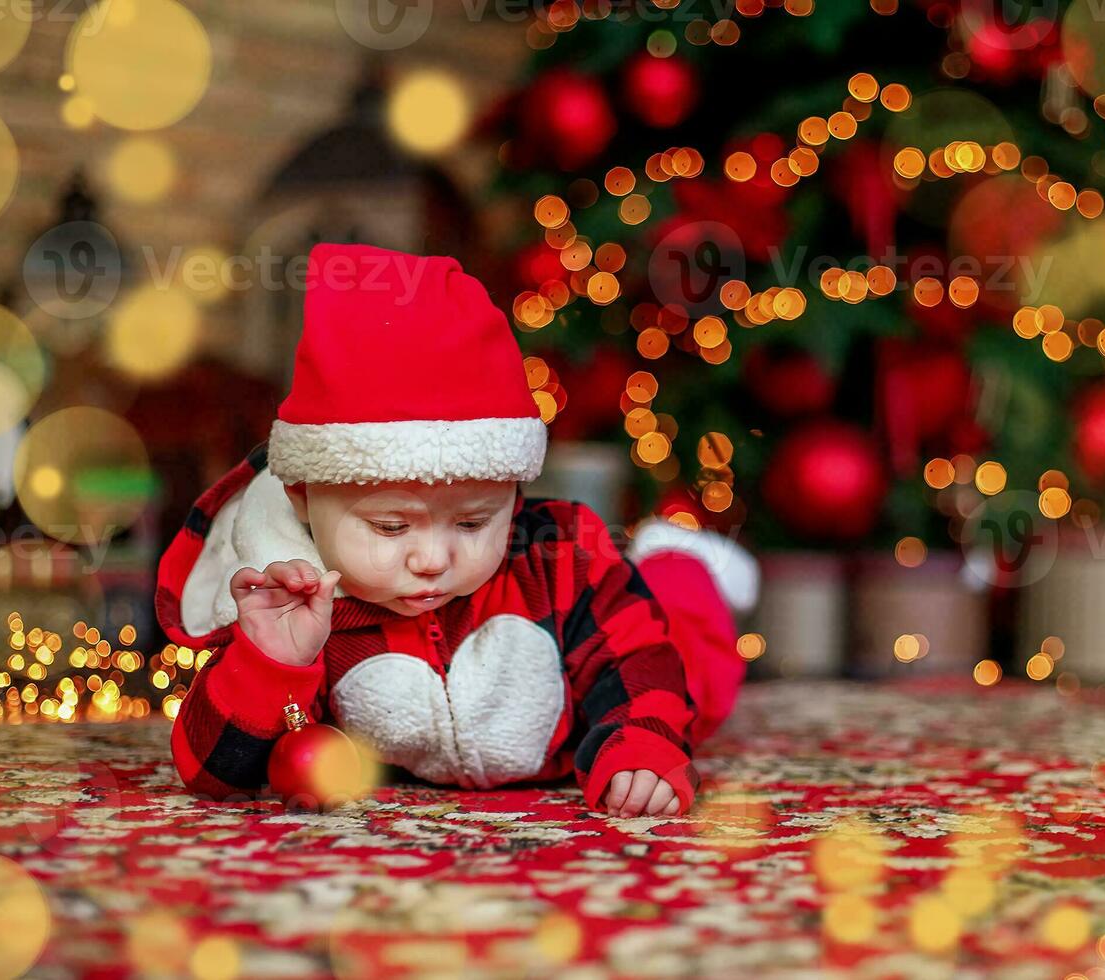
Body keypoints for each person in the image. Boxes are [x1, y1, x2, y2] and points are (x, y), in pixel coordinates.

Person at [155, 243, 759, 818]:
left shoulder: (561, 554)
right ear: (303, 498)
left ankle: (681, 566)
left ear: (513, 492)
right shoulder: (298, 598)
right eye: (391, 527)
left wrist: (642, 746)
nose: (434, 559)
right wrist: (271, 665)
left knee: (694, 666)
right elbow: (210, 775)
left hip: (646, 647)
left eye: (474, 522)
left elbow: (636, 659)